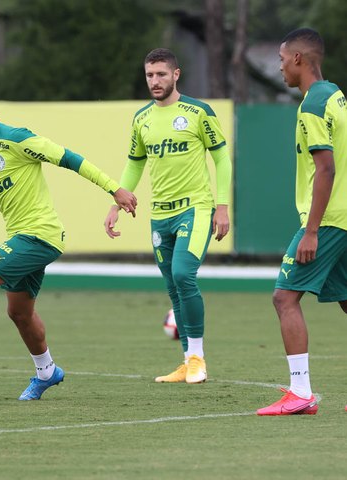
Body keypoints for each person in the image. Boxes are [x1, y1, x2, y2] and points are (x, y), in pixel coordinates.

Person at [0, 87, 137, 400]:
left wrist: (115, 190)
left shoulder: (17, 139)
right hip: (21, 237)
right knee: (19, 313)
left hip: (40, 235)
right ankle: (47, 372)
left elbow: (69, 158)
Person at [104, 48, 232, 385]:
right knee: (173, 287)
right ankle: (186, 361)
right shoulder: (142, 118)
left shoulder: (198, 112)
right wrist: (117, 202)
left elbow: (221, 159)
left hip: (196, 208)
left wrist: (222, 206)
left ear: (176, 74)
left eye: (161, 74)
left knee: (183, 274)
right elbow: (135, 162)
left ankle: (198, 359)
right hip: (160, 214)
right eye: (149, 75)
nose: (154, 81)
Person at [257, 28, 347, 415]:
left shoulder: (312, 105)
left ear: (297, 59)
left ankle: (300, 393)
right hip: (343, 218)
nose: (279, 67)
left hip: (326, 220)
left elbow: (325, 170)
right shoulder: (337, 95)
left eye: (281, 59)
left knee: (284, 298)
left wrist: (311, 231)